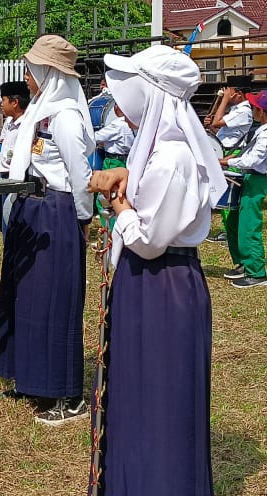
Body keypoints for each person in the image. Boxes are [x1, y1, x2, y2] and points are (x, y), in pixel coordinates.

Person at [87, 44, 225, 496]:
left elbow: (147, 242)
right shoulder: (156, 154)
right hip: (149, 283)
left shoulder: (173, 158)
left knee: (162, 398)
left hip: (164, 283)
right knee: (138, 392)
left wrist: (119, 205)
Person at [0, 35, 95, 425]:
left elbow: (79, 175)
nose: (26, 77)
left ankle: (66, 396)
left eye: (31, 69)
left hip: (56, 211)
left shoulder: (65, 116)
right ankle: (33, 377)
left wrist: (82, 219)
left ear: (48, 72)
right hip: (31, 209)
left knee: (55, 303)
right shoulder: (39, 111)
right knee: (27, 298)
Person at [218, 90, 267, 288]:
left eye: (254, 107)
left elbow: (254, 159)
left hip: (256, 181)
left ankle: (257, 273)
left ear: (260, 112)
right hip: (249, 178)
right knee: (236, 224)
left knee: (249, 227)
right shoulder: (262, 130)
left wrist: (227, 162)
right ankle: (245, 265)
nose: (252, 109)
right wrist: (231, 159)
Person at [204, 75, 253, 243]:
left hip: (233, 155)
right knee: (223, 197)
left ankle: (230, 232)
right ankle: (228, 231)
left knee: (230, 198)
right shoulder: (234, 111)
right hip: (225, 152)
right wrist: (210, 122)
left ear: (238, 93)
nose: (226, 93)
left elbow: (218, 122)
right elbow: (217, 128)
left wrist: (223, 101)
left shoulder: (244, 111)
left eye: (229, 91)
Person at [0, 80, 30, 231]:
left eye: (3, 100)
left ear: (15, 102)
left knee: (13, 223)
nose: (1, 104)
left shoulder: (26, 125)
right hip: (5, 177)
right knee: (6, 220)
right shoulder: (9, 122)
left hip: (16, 178)